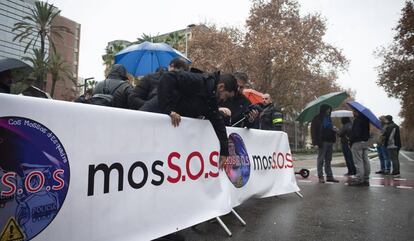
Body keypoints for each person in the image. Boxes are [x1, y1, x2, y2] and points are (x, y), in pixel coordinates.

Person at [157, 57, 228, 167]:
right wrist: (168, 110)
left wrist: (224, 152)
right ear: (221, 87)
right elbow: (167, 77)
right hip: (156, 117)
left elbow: (218, 122)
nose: (224, 100)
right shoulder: (198, 80)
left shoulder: (210, 98)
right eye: (226, 96)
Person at [311, 104, 339, 183]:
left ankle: (329, 176)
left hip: (330, 141)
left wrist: (334, 129)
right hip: (322, 141)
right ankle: (320, 176)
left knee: (328, 160)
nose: (329, 111)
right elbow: (313, 131)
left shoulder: (329, 118)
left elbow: (330, 128)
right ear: (323, 109)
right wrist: (315, 142)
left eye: (329, 109)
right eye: (327, 109)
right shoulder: (317, 119)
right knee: (321, 160)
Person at [348, 107, 371, 186]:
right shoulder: (366, 119)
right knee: (366, 161)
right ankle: (366, 179)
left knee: (358, 161)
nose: (353, 113)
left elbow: (356, 133)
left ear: (356, 112)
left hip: (357, 142)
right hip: (365, 142)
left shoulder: (358, 120)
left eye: (353, 112)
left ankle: (359, 179)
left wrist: (350, 139)